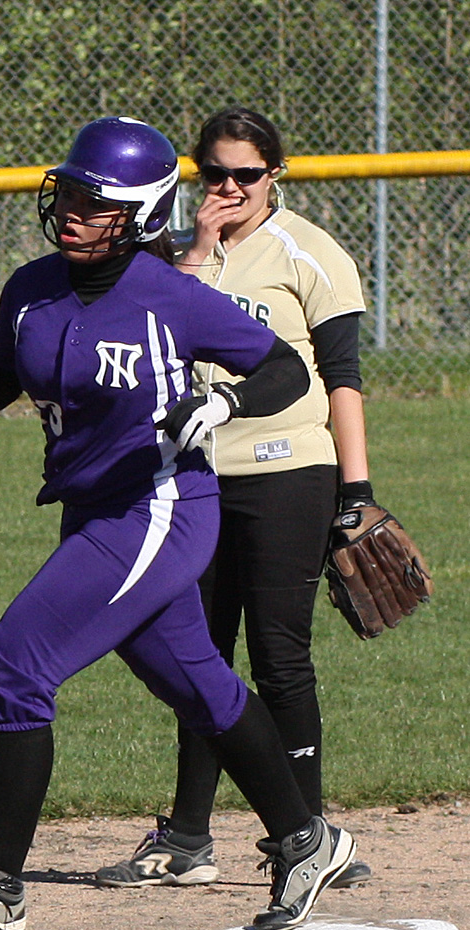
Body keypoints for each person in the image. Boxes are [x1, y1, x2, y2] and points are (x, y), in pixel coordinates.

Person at [0, 116, 356, 930]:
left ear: (141, 214)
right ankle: (306, 840)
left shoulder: (167, 294)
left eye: (96, 202)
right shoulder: (31, 288)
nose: (72, 212)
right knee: (199, 685)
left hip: (158, 509)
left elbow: (285, 369)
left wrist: (222, 402)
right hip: (91, 511)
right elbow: (2, 370)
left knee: (17, 663)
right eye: (69, 194)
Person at [96, 107, 372, 890]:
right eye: (213, 172)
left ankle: (310, 837)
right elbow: (156, 334)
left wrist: (356, 490)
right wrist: (198, 252)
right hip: (193, 482)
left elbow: (341, 379)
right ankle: (187, 839)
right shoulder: (174, 258)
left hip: (288, 474)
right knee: (198, 659)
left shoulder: (309, 254)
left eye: (245, 174)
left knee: (279, 659)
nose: (228, 186)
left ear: (272, 175)